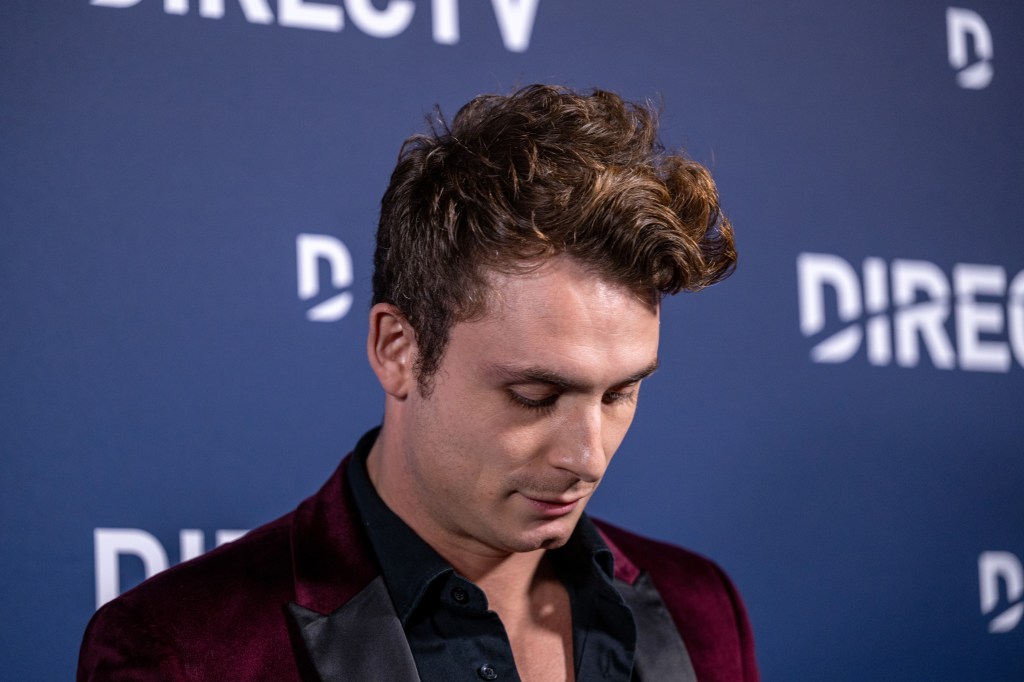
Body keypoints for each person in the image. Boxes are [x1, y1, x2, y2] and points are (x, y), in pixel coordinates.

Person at [78, 84, 758, 681]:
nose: (587, 457)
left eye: (619, 394)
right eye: (534, 396)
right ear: (397, 349)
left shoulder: (700, 606)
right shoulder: (182, 650)